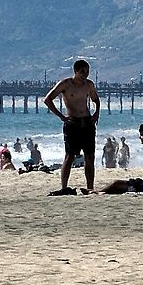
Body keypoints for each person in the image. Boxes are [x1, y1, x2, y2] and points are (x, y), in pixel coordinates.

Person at [44, 59, 101, 196]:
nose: (85, 75)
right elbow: (48, 99)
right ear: (75, 71)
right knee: (69, 156)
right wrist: (61, 116)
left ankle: (90, 187)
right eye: (82, 72)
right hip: (72, 122)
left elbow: (96, 100)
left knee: (90, 156)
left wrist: (96, 113)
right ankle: (64, 187)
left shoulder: (89, 85)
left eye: (87, 72)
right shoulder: (66, 84)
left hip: (87, 122)